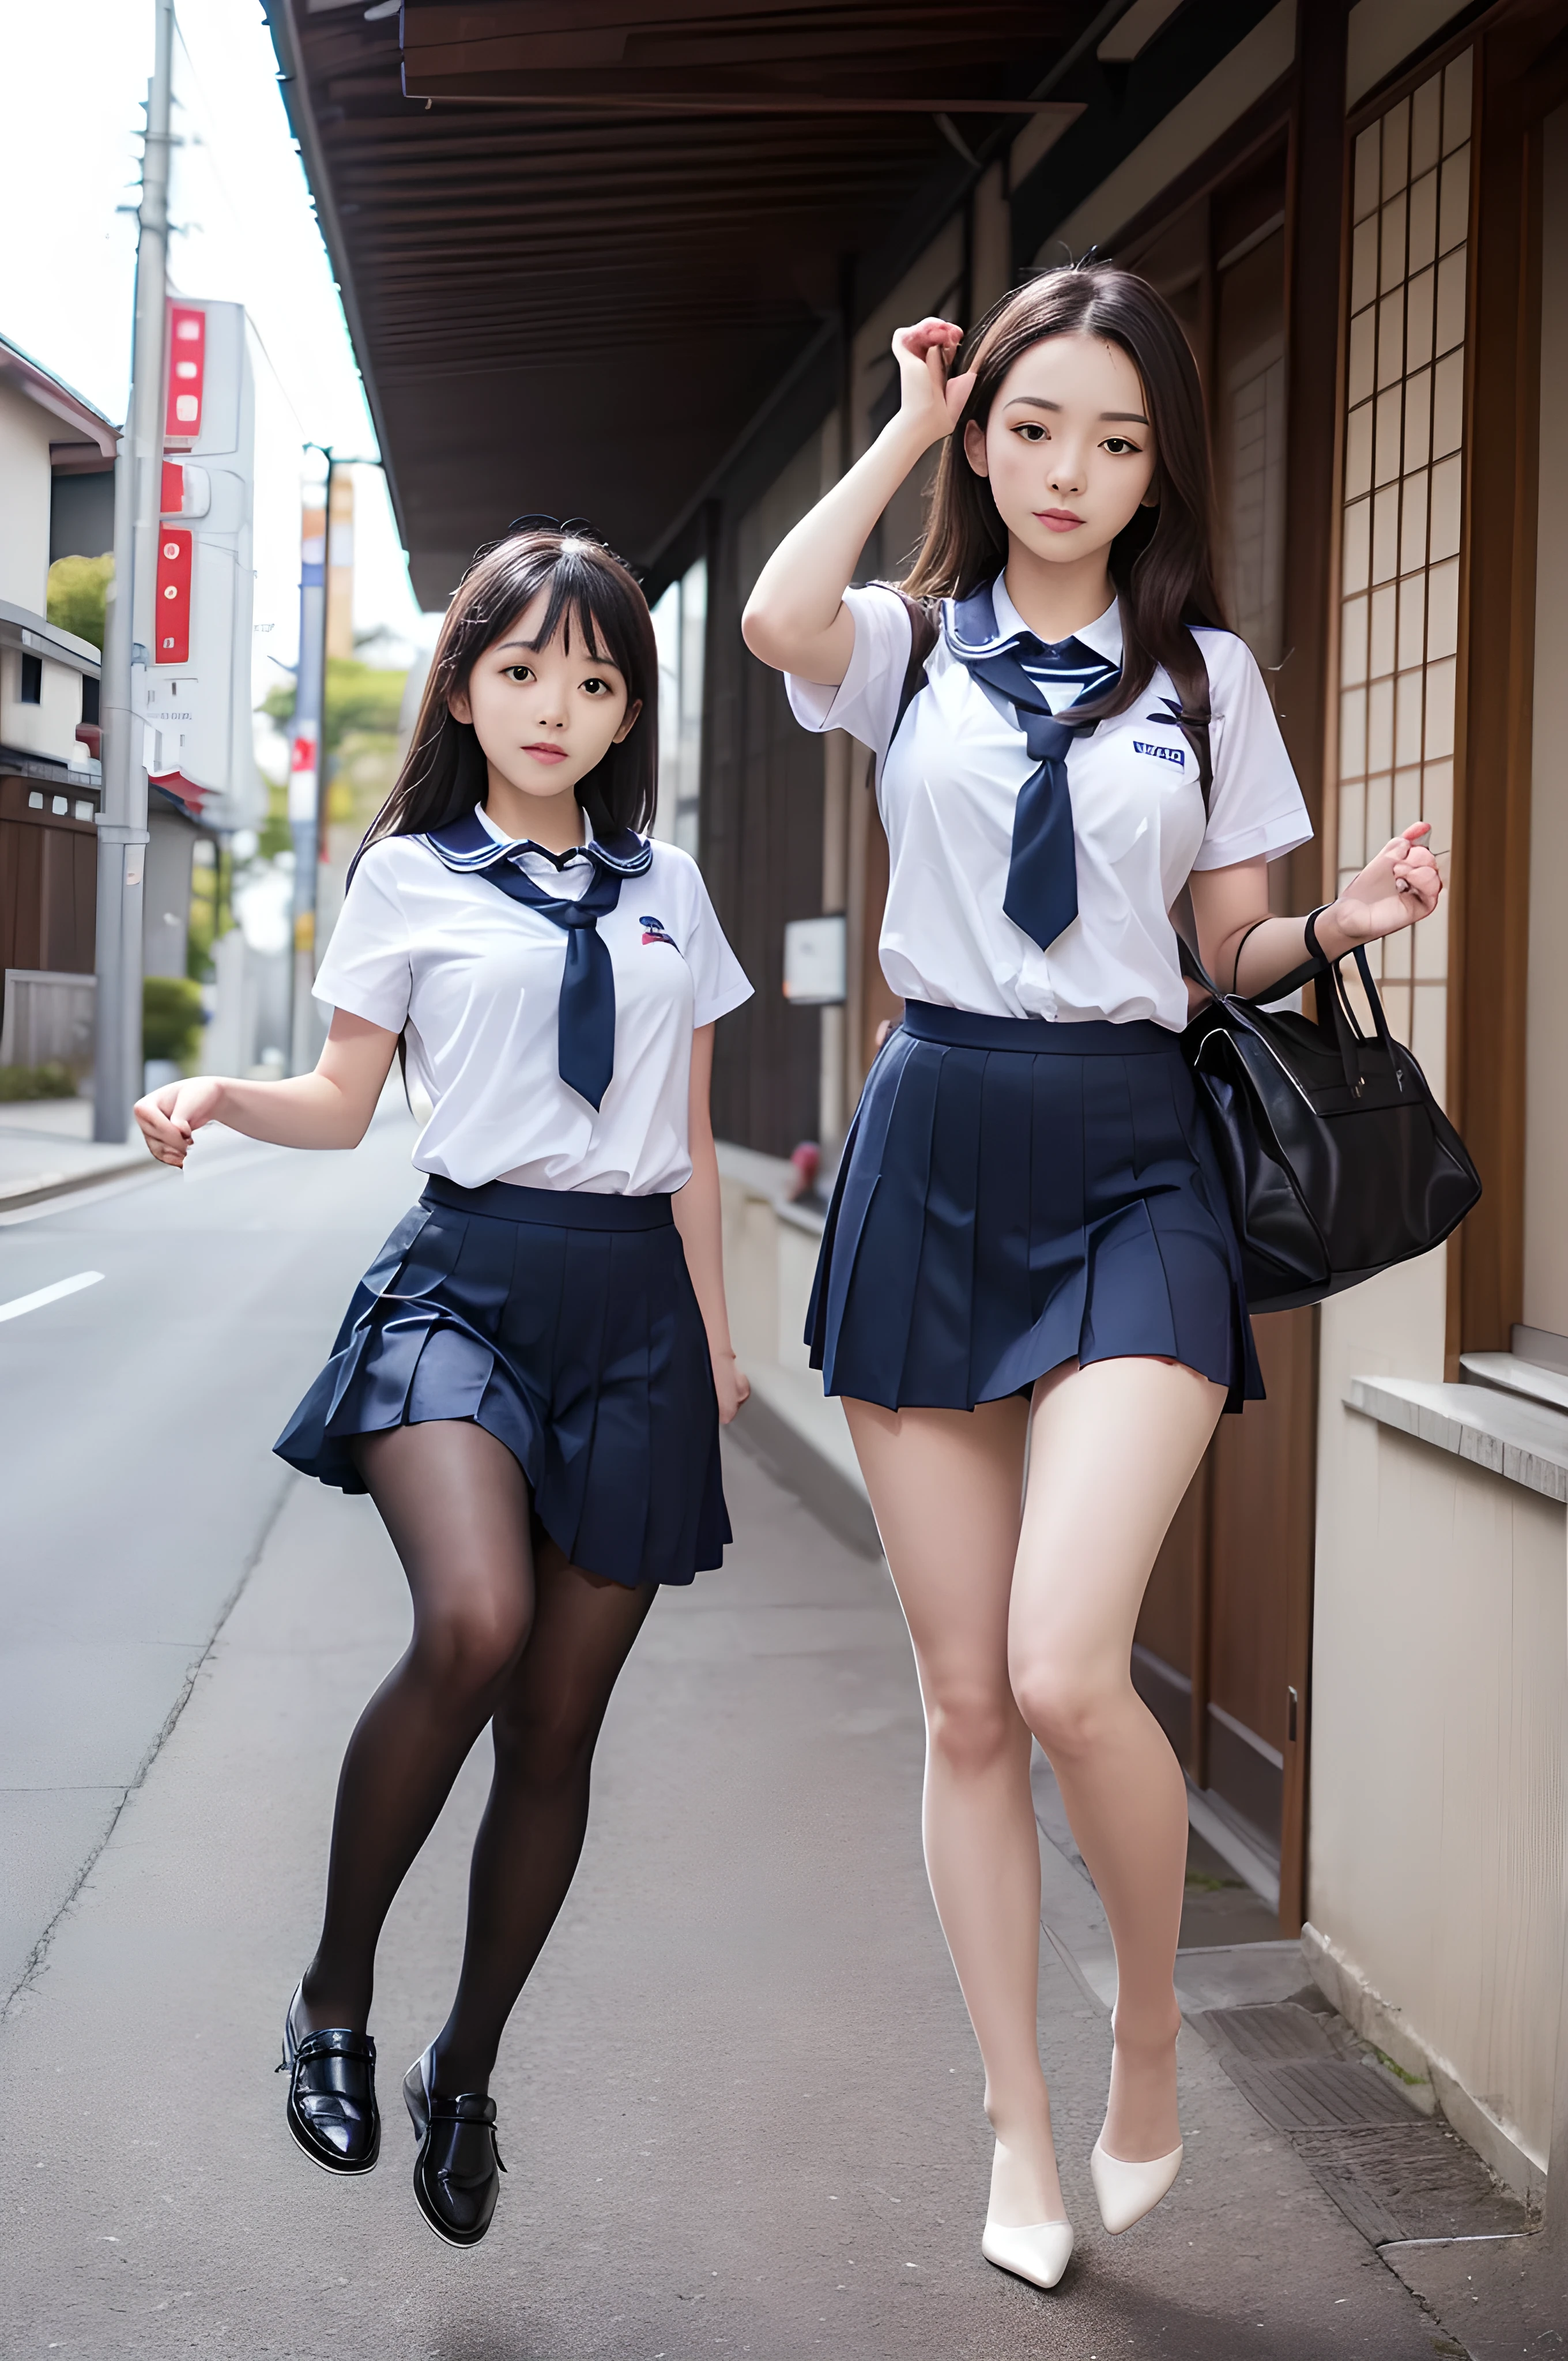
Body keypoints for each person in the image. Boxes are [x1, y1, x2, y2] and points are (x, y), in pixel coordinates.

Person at [741, 265, 1442, 2292]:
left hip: (1137, 1161)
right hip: (935, 1137)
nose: (1072, 470)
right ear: (988, 438)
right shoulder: (913, 650)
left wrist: (1338, 920)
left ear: (1161, 471)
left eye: (1119, 440)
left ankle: (1144, 2023)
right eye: (1035, 426)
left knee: (1065, 1670)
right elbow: (785, 614)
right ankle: (1019, 2128)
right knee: (968, 1705)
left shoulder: (1208, 680)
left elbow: (1220, 953)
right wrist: (903, 421)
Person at [135, 526, 752, 2248]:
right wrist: (217, 1097)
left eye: (599, 677)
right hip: (461, 1283)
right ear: (469, 682)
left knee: (558, 1732)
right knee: (473, 1625)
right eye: (526, 669)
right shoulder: (408, 874)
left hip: (630, 1300)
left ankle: (462, 2068)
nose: (559, 705)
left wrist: (711, 1345)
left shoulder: (670, 895)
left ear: (630, 709)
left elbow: (692, 1150)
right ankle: (332, 2000)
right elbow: (346, 1102)